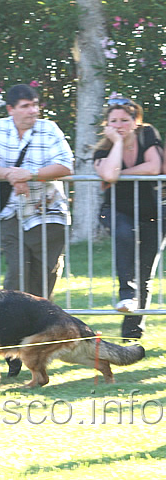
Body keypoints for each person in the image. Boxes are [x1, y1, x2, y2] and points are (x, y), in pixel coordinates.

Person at [0, 84, 74, 377]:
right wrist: (9, 174)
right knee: (15, 281)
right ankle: (13, 352)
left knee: (43, 283)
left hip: (48, 215)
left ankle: (39, 347)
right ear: (11, 109)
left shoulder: (49, 129)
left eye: (35, 105)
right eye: (26, 106)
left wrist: (30, 174)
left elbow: (65, 165)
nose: (33, 111)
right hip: (12, 214)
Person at [93, 96, 165, 340]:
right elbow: (108, 176)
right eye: (113, 121)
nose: (119, 125)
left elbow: (154, 167)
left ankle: (132, 333)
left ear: (136, 122)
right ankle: (126, 294)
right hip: (115, 210)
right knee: (125, 233)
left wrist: (120, 173)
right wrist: (116, 145)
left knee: (145, 272)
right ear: (107, 125)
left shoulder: (147, 135)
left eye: (124, 120)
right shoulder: (103, 148)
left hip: (153, 212)